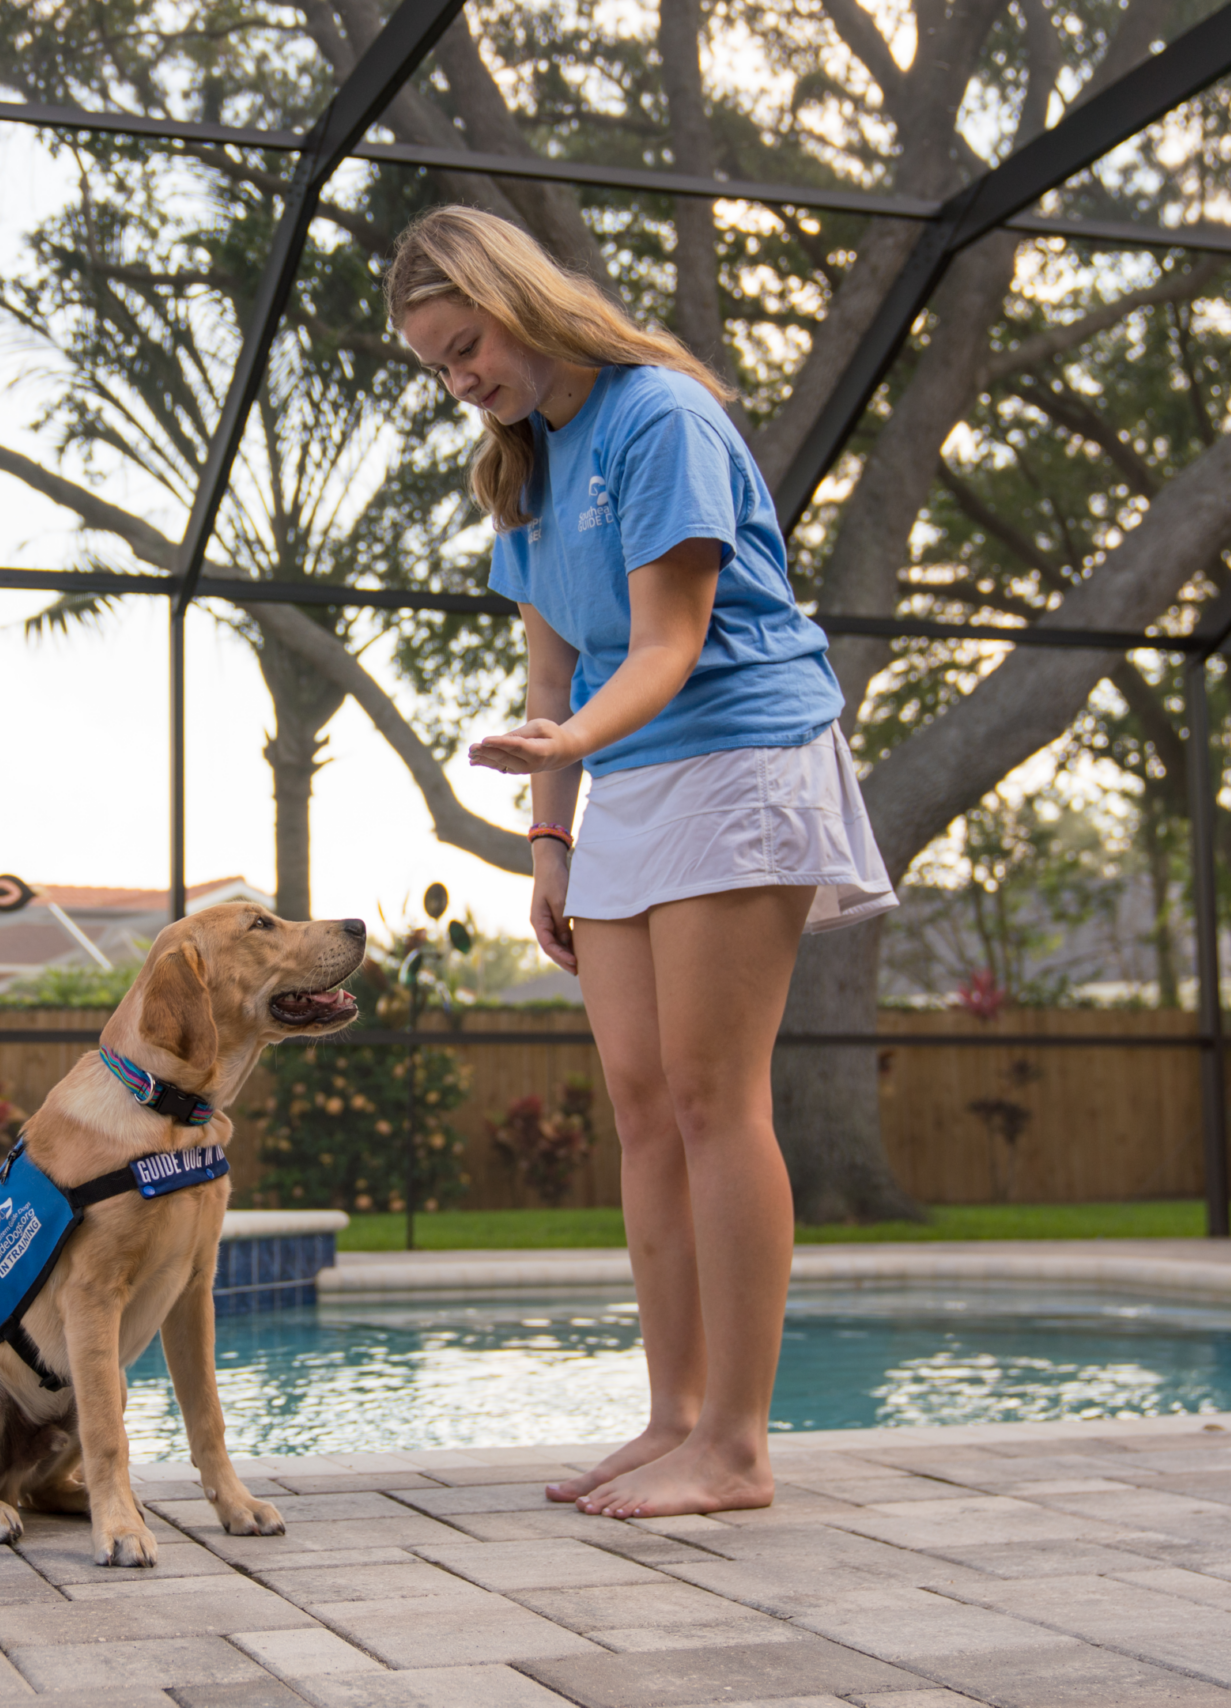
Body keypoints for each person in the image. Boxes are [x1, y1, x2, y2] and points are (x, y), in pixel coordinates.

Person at [387, 206, 897, 1519]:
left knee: (715, 1098)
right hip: (622, 776)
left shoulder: (659, 416)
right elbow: (553, 669)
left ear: (516, 297)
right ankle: (673, 1414)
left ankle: (737, 1445)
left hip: (740, 750)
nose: (463, 382)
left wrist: (570, 740)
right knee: (640, 1106)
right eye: (440, 368)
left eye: (467, 347)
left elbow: (666, 648)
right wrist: (549, 840)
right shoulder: (529, 472)